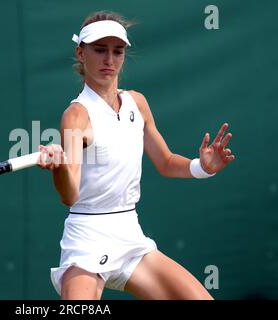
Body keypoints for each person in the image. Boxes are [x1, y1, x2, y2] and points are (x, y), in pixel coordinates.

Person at [38, 11, 235, 300]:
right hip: (87, 238)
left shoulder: (137, 103)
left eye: (117, 51)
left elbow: (166, 162)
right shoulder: (76, 115)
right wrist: (59, 168)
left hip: (130, 235)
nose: (109, 60)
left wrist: (201, 167)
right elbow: (69, 195)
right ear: (81, 53)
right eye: (99, 50)